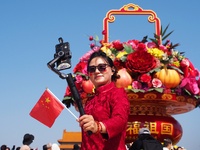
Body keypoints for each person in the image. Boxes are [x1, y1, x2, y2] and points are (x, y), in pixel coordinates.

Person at [77, 50, 130, 150]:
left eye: (102, 67)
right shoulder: (89, 101)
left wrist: (98, 127)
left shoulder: (117, 93)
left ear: (112, 70)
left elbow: (120, 120)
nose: (97, 71)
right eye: (92, 69)